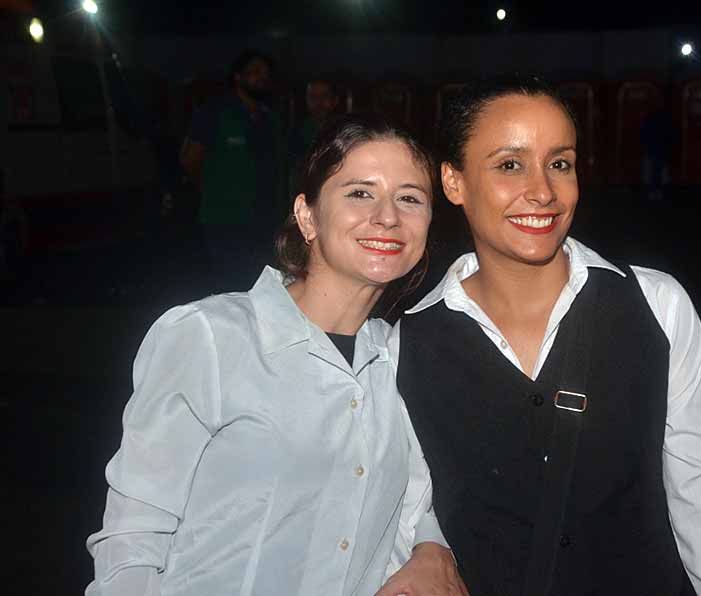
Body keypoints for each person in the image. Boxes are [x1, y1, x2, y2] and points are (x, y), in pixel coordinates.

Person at [390, 76, 701, 596]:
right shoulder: (407, 345)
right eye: (510, 165)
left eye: (560, 163)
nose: (543, 191)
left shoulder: (656, 305)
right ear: (453, 182)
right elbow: (411, 502)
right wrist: (427, 546)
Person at [86, 114, 467, 596]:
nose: (388, 216)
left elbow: (418, 498)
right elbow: (133, 536)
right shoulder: (211, 338)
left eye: (409, 198)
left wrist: (433, 548)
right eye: (359, 193)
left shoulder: (400, 358)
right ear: (307, 216)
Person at [180, 49, 287, 293]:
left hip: (264, 219)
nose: (262, 77)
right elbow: (190, 159)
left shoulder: (269, 118)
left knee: (262, 285)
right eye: (255, 72)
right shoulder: (214, 112)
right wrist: (214, 190)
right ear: (238, 77)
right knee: (231, 286)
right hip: (225, 220)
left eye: (266, 73)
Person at [291, 79, 342, 164]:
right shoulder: (297, 132)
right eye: (313, 97)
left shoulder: (344, 130)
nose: (319, 102)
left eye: (324, 96)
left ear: (335, 100)